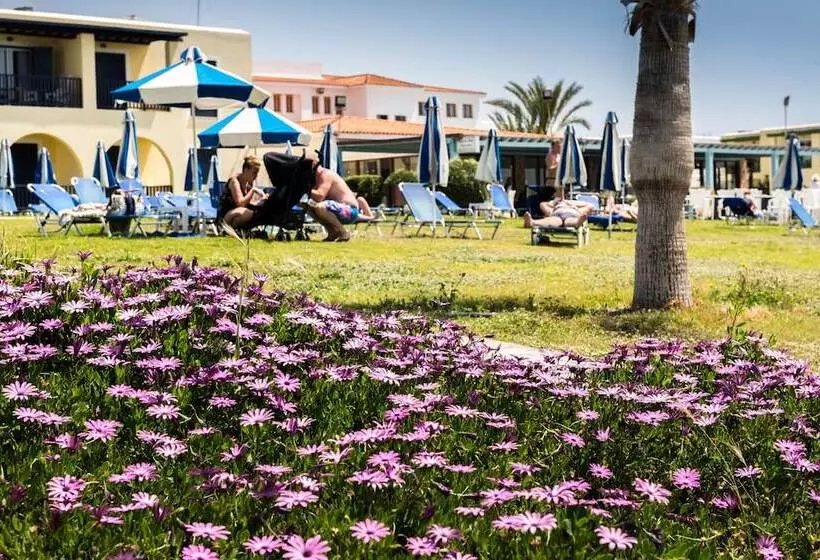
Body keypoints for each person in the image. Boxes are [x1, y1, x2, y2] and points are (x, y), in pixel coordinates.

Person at [303, 157, 375, 242]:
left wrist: (303, 188)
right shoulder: (317, 177)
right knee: (309, 206)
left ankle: (344, 233)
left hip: (350, 211)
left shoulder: (325, 175)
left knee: (320, 207)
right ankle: (333, 233)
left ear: (313, 166)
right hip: (341, 210)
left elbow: (319, 196)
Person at [219, 155, 267, 232]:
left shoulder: (248, 185)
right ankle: (226, 229)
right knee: (247, 213)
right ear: (245, 170)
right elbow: (240, 203)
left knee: (254, 213)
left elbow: (249, 203)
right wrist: (253, 190)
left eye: (257, 173)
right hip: (226, 216)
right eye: (254, 172)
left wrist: (262, 200)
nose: (256, 176)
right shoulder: (234, 182)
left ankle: (234, 230)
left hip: (235, 215)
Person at [522, 186, 593, 228]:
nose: (562, 194)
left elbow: (590, 206)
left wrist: (569, 204)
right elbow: (542, 204)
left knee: (569, 221)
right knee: (554, 221)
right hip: (557, 213)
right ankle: (532, 222)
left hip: (572, 213)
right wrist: (554, 203)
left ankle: (578, 222)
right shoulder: (555, 202)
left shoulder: (574, 203)